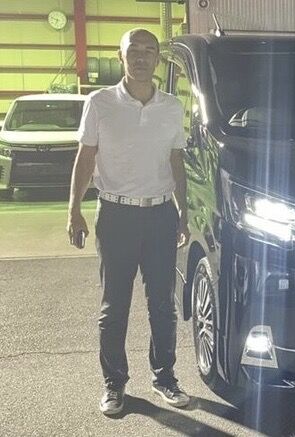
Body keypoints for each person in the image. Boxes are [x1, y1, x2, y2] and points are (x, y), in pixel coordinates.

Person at [66, 28, 191, 416]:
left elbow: (176, 161)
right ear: (120, 56)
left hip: (160, 215)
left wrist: (183, 211)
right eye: (133, 50)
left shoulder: (172, 107)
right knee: (114, 307)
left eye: (149, 51)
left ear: (158, 59)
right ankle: (114, 384)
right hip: (115, 215)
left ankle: (165, 378)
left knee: (163, 306)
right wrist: (73, 210)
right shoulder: (100, 102)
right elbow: (86, 157)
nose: (140, 57)